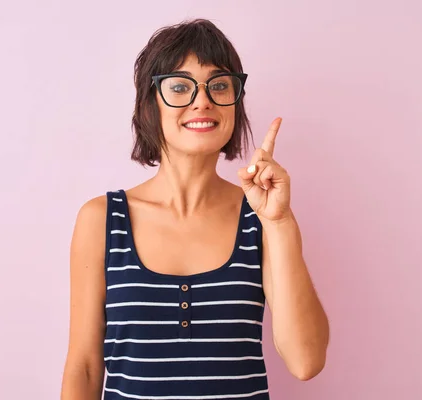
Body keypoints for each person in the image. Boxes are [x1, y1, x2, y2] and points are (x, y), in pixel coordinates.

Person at [60, 18, 329, 400]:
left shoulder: (263, 216)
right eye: (180, 87)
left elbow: (307, 361)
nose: (202, 100)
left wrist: (279, 222)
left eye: (219, 85)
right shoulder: (101, 219)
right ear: (149, 104)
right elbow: (84, 367)